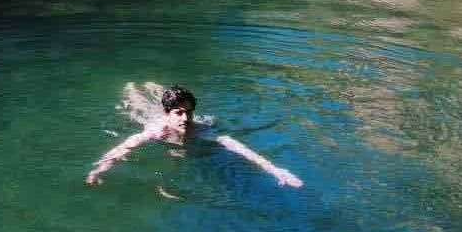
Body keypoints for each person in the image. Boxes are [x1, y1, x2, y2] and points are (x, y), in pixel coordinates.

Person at [85, 85, 303, 188]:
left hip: (179, 126)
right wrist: (99, 169)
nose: (185, 118)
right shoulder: (156, 130)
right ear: (168, 114)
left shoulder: (201, 130)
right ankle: (134, 87)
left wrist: (277, 170)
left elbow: (240, 148)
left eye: (189, 112)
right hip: (152, 117)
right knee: (134, 99)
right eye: (179, 112)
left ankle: (157, 88)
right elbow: (126, 146)